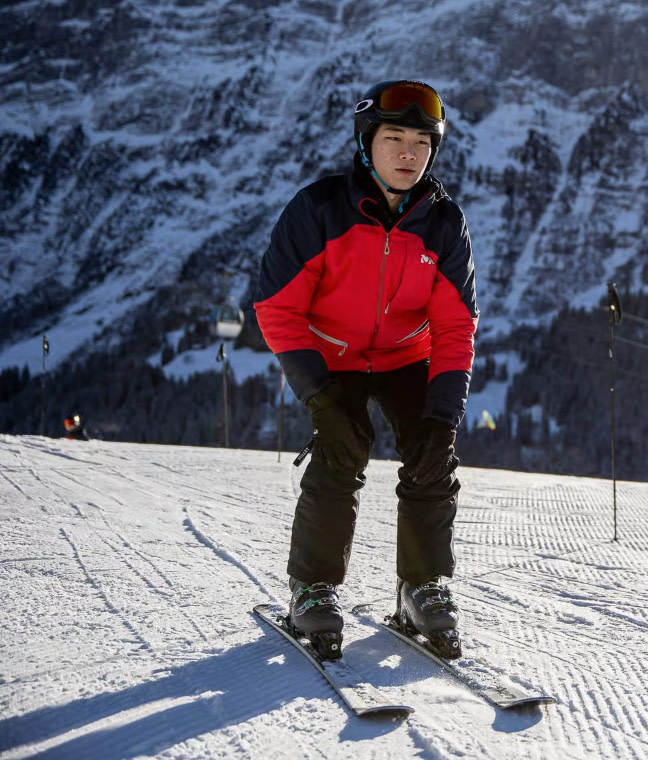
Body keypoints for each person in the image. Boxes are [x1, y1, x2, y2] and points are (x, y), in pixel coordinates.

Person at [254, 80, 478, 660]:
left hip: (407, 353)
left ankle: (421, 585)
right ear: (366, 143)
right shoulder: (320, 208)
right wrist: (321, 399)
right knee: (342, 446)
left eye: (422, 142)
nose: (409, 154)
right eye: (394, 138)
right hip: (332, 354)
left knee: (431, 452)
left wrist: (444, 414)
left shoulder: (444, 223)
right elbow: (277, 307)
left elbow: (455, 326)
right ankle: (313, 588)